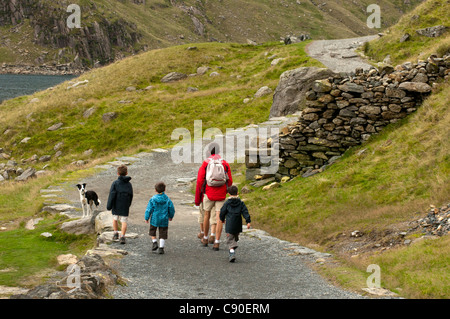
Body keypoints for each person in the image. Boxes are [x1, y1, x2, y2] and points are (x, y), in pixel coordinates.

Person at [195, 142, 233, 251]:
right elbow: (230, 181)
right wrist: (225, 189)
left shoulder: (206, 163)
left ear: (208, 152)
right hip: (221, 194)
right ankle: (217, 242)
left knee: (206, 214)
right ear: (219, 152)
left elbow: (200, 181)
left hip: (209, 193)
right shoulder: (225, 163)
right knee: (219, 217)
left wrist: (201, 193)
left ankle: (205, 238)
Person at [220, 185, 251, 262]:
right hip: (238, 224)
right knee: (235, 238)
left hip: (229, 224)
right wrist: (248, 221)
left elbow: (222, 211)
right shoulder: (241, 203)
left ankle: (232, 253)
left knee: (230, 240)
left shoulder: (227, 203)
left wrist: (222, 219)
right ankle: (234, 246)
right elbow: (245, 212)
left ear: (228, 194)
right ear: (238, 193)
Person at [145, 182, 175, 254]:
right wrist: (170, 216)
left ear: (155, 190)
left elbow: (149, 209)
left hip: (155, 218)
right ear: (164, 190)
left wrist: (147, 217)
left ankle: (154, 242)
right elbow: (171, 208)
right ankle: (161, 248)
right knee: (163, 233)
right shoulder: (167, 199)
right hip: (164, 219)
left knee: (152, 231)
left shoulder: (153, 199)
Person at [107, 164, 133, 244]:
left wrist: (109, 205)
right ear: (126, 173)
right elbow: (131, 195)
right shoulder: (129, 184)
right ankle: (122, 237)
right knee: (124, 221)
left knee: (115, 219)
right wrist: (128, 204)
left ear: (118, 173)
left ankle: (115, 233)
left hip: (116, 204)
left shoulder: (115, 183)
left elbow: (112, 194)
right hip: (125, 205)